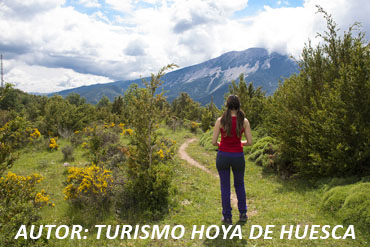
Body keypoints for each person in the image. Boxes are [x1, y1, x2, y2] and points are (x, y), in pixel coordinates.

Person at [212, 95, 253, 224]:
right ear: (238, 105)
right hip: (238, 157)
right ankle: (243, 214)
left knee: (225, 186)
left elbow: (213, 142)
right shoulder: (244, 121)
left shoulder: (221, 120)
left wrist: (222, 145)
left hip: (223, 156)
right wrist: (240, 143)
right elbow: (250, 142)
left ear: (227, 105)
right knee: (239, 184)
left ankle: (227, 216)